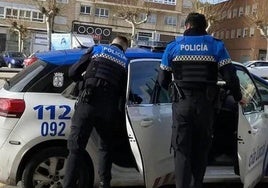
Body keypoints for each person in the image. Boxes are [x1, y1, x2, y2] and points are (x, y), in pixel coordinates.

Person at [157, 12, 246, 188]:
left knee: (182, 151)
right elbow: (231, 78)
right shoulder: (216, 46)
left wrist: (174, 92)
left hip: (182, 105)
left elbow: (162, 81)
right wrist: (238, 97)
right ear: (205, 27)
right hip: (206, 106)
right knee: (200, 150)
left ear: (187, 26)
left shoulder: (174, 46)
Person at [63, 35, 129, 188]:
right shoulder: (124, 61)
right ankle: (104, 183)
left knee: (76, 149)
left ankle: (69, 185)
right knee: (105, 147)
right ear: (124, 48)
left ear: (112, 42)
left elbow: (73, 72)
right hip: (108, 109)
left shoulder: (97, 49)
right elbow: (123, 92)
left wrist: (83, 85)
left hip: (88, 101)